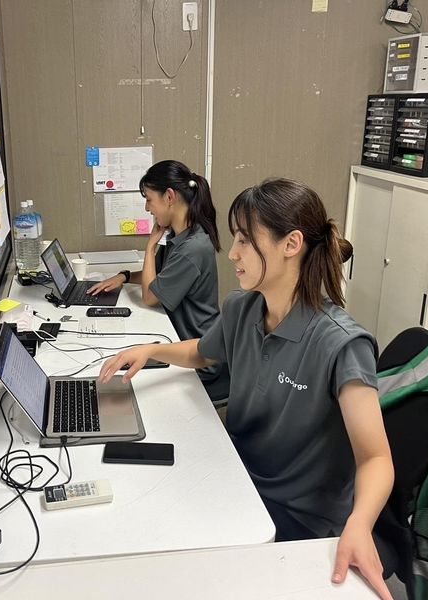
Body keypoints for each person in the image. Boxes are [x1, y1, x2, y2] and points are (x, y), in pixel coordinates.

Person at [99, 178, 394, 599]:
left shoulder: (342, 344)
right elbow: (203, 352)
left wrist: (360, 525)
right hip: (236, 477)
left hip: (297, 518)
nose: (233, 253)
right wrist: (151, 351)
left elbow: (376, 458)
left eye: (244, 240)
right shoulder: (243, 306)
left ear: (291, 244)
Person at [89, 160, 229, 402]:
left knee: (133, 383)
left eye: (149, 200)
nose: (147, 208)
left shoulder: (192, 248)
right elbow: (159, 276)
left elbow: (150, 296)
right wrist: (124, 277)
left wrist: (149, 247)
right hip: (181, 338)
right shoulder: (180, 235)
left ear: (170, 197)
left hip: (200, 355)